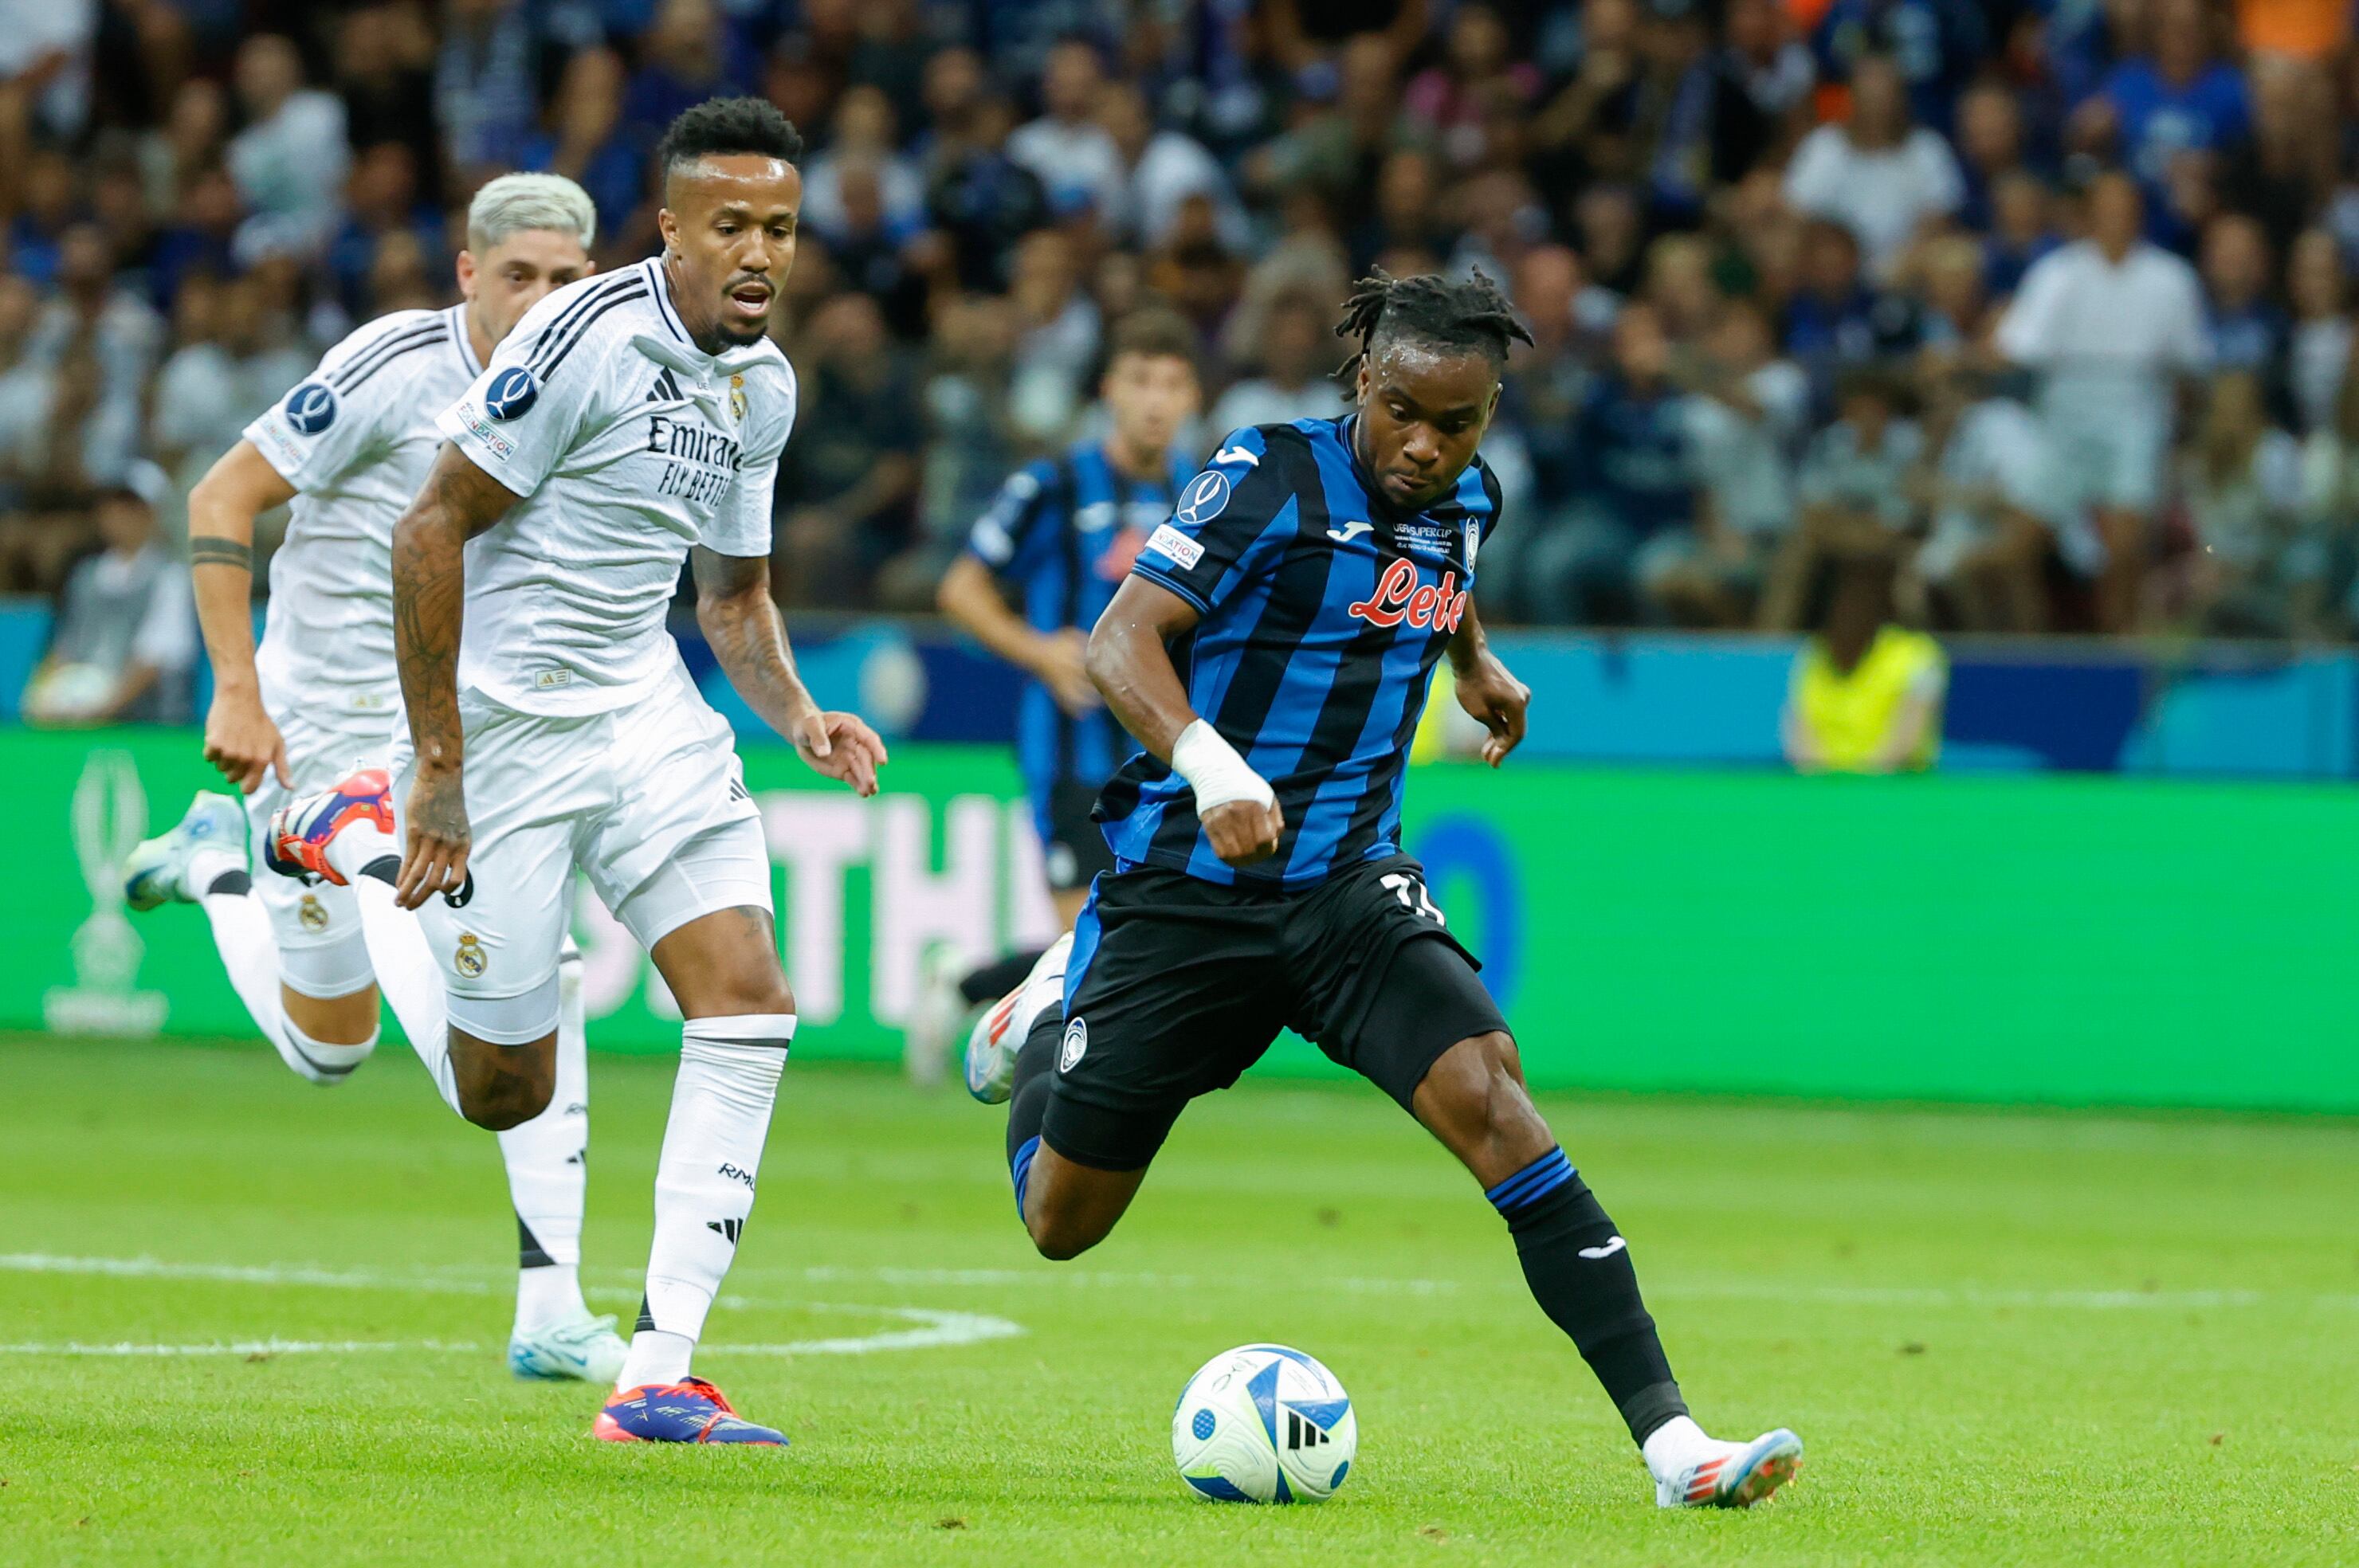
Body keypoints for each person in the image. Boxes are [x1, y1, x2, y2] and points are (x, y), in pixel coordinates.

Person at [964, 270, 1804, 1511]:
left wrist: (1476, 662)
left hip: (1350, 888)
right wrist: (1213, 768)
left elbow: (1438, 575)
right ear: (1365, 381)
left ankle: (1677, 1449)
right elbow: (1117, 640)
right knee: (1060, 1221)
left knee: (1497, 1100)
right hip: (1189, 888)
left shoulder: (1471, 499)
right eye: (1402, 412)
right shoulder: (1267, 473)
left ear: (1489, 414)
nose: (1423, 445)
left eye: (1455, 424)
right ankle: (1043, 1018)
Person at [264, 99, 886, 1447]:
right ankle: (352, 836)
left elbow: (733, 596)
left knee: (749, 996)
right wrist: (437, 766)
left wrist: (798, 713)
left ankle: (661, 1370)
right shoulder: (583, 340)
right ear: (670, 230)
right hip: (510, 733)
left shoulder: (761, 384)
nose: (760, 253)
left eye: (781, 228)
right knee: (508, 1090)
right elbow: (429, 527)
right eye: (731, 225)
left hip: (647, 714)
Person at [117, 175, 628, 1384]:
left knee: (505, 991)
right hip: (321, 738)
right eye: (518, 276)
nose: (542, 300)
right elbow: (221, 495)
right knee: (362, 1048)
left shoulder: (592, 384)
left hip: (452, 740)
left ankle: (551, 1306)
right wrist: (236, 691)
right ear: (468, 275)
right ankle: (230, 863)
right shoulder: (393, 367)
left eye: (566, 280)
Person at [912, 308, 1202, 1088]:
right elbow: (961, 588)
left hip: (1165, 751)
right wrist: (1038, 650)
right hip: (1071, 747)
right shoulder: (1054, 485)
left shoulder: (1204, 495)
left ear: (1191, 397)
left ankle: (968, 986)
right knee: (1093, 935)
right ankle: (1020, 1047)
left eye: (1172, 384)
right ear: (1110, 389)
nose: (1155, 401)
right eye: (1140, 381)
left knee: (1138, 935)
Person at [1996, 171, 2208, 632]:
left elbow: (2190, 368)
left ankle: (2117, 647)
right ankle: (2037, 646)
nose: (2115, 219)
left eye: (2124, 209)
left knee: (2126, 550)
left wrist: (2179, 437)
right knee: (2016, 546)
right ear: (2089, 215)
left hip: (2136, 423)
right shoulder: (2057, 273)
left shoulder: (2172, 279)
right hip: (2063, 424)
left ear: (2140, 216)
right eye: (2106, 209)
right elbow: (2016, 348)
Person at [23, 463, 195, 726]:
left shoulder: (171, 578)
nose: (117, 516)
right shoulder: (86, 575)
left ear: (153, 514)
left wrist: (102, 710)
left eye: (130, 508)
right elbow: (66, 645)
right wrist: (41, 697)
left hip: (145, 724)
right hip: (80, 711)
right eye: (111, 507)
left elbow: (157, 658)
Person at [1781, 552, 1946, 774]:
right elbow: (1800, 735)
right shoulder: (1812, 654)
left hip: (1895, 787)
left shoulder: (1920, 656)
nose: (1851, 608)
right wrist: (1825, 782)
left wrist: (1860, 784)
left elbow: (1905, 743)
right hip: (1823, 786)